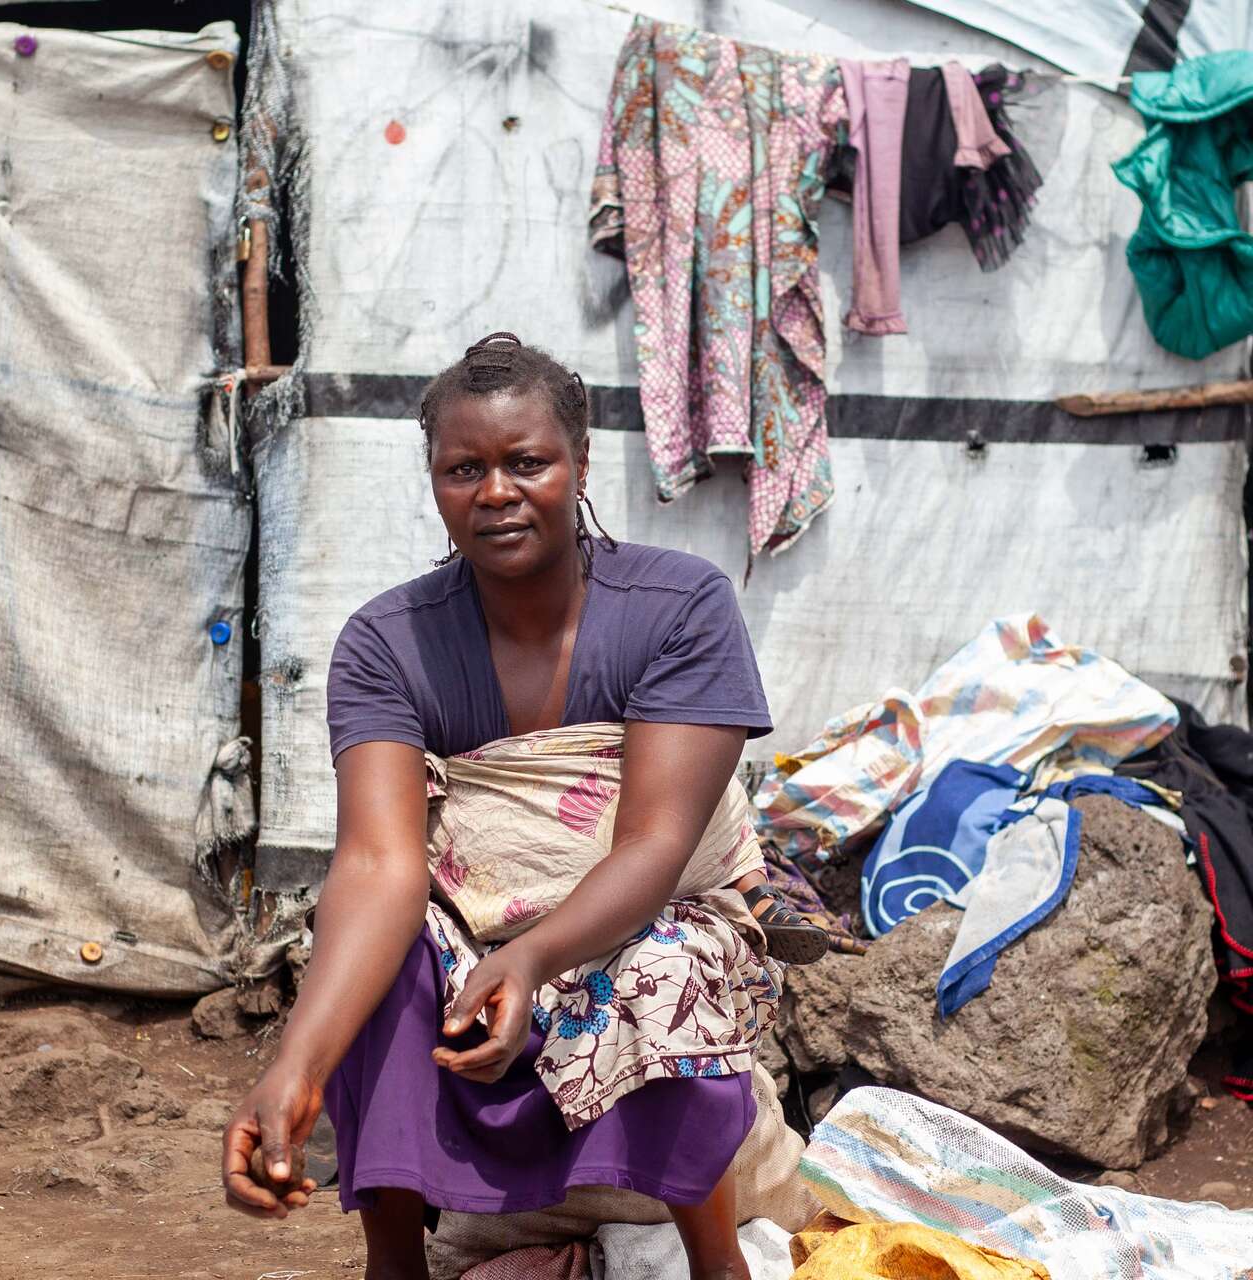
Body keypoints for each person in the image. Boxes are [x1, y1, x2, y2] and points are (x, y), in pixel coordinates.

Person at [222, 333, 829, 1280]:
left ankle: (716, 1263)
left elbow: (658, 845)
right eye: (464, 469)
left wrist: (533, 957)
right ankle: (395, 1259)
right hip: (477, 930)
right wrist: (294, 1067)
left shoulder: (679, 609)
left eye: (527, 462)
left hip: (636, 915)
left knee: (667, 959)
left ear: (580, 464)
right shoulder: (390, 643)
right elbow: (382, 865)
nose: (495, 492)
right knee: (384, 954)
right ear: (434, 481)